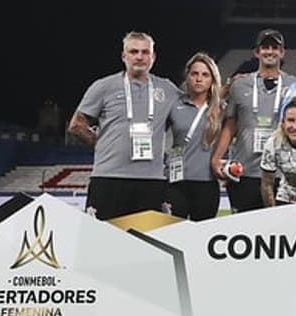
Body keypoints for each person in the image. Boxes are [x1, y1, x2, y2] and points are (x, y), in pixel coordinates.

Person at [67, 31, 181, 221]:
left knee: (150, 244)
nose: (139, 56)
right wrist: (103, 144)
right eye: (134, 51)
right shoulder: (103, 86)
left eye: (145, 52)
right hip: (108, 178)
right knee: (104, 241)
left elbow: (194, 103)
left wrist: (225, 90)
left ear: (153, 57)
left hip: (151, 181)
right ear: (124, 56)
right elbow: (76, 125)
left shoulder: (167, 89)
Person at [212, 28, 296, 213]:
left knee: (279, 232)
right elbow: (230, 124)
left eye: (275, 47)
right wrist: (217, 157)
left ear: (282, 52)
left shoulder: (295, 86)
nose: (270, 51)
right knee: (244, 230)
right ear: (257, 52)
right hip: (244, 172)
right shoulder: (240, 84)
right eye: (265, 47)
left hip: (281, 173)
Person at [166, 52, 225, 221]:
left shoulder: (222, 109)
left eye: (205, 75)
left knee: (202, 239)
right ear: (187, 77)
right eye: (195, 74)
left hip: (207, 183)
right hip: (176, 182)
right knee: (173, 236)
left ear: (212, 79)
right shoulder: (174, 104)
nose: (199, 79)